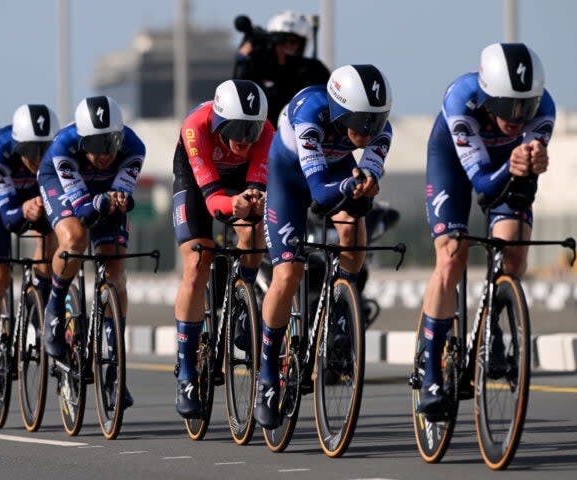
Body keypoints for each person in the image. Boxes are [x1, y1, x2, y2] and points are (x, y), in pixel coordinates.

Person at [417, 43, 555, 418]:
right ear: (486, 95)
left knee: (514, 252)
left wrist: (533, 160)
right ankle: (431, 371)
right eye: (508, 106)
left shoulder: (545, 109)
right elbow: (481, 183)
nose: (517, 115)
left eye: (525, 106)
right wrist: (513, 165)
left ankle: (491, 326)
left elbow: (521, 183)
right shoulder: (461, 100)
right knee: (451, 256)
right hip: (455, 164)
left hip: (506, 166)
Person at [254, 64, 394, 428]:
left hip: (332, 172)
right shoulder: (310, 114)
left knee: (353, 232)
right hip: (290, 179)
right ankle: (267, 374)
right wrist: (352, 187)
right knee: (287, 274)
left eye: (374, 122)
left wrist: (366, 184)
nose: (367, 131)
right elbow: (318, 194)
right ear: (339, 111)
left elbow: (363, 182)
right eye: (360, 121)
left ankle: (340, 308)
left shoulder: (381, 131)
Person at [171, 79, 274, 418]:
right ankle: (186, 372)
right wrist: (234, 204)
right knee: (198, 261)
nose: (244, 140)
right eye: (236, 129)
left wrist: (252, 200)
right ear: (218, 123)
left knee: (255, 232)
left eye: (251, 131)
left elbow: (257, 190)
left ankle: (241, 299)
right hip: (199, 183)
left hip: (239, 181)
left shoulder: (267, 132)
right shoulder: (195, 128)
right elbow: (214, 202)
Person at [37, 95, 146, 410]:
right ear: (82, 140)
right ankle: (54, 311)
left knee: (115, 268)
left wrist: (119, 199)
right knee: (74, 238)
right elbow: (84, 211)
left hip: (104, 193)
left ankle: (116, 368)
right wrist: (104, 201)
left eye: (110, 142)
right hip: (61, 185)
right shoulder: (63, 147)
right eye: (95, 144)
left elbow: (120, 198)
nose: (104, 153)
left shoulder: (134, 147)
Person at [0, 104, 60, 404]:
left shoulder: (55, 154)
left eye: (44, 149)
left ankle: (40, 307)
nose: (37, 158)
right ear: (17, 144)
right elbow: (10, 218)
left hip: (34, 197)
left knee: (51, 245)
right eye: (30, 150)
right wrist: (25, 209)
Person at [234, 10, 330, 127]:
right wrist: (243, 61)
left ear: (302, 44)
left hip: (299, 130)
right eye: (281, 41)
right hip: (262, 132)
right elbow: (239, 94)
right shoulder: (258, 67)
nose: (287, 47)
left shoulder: (313, 69)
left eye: (293, 42)